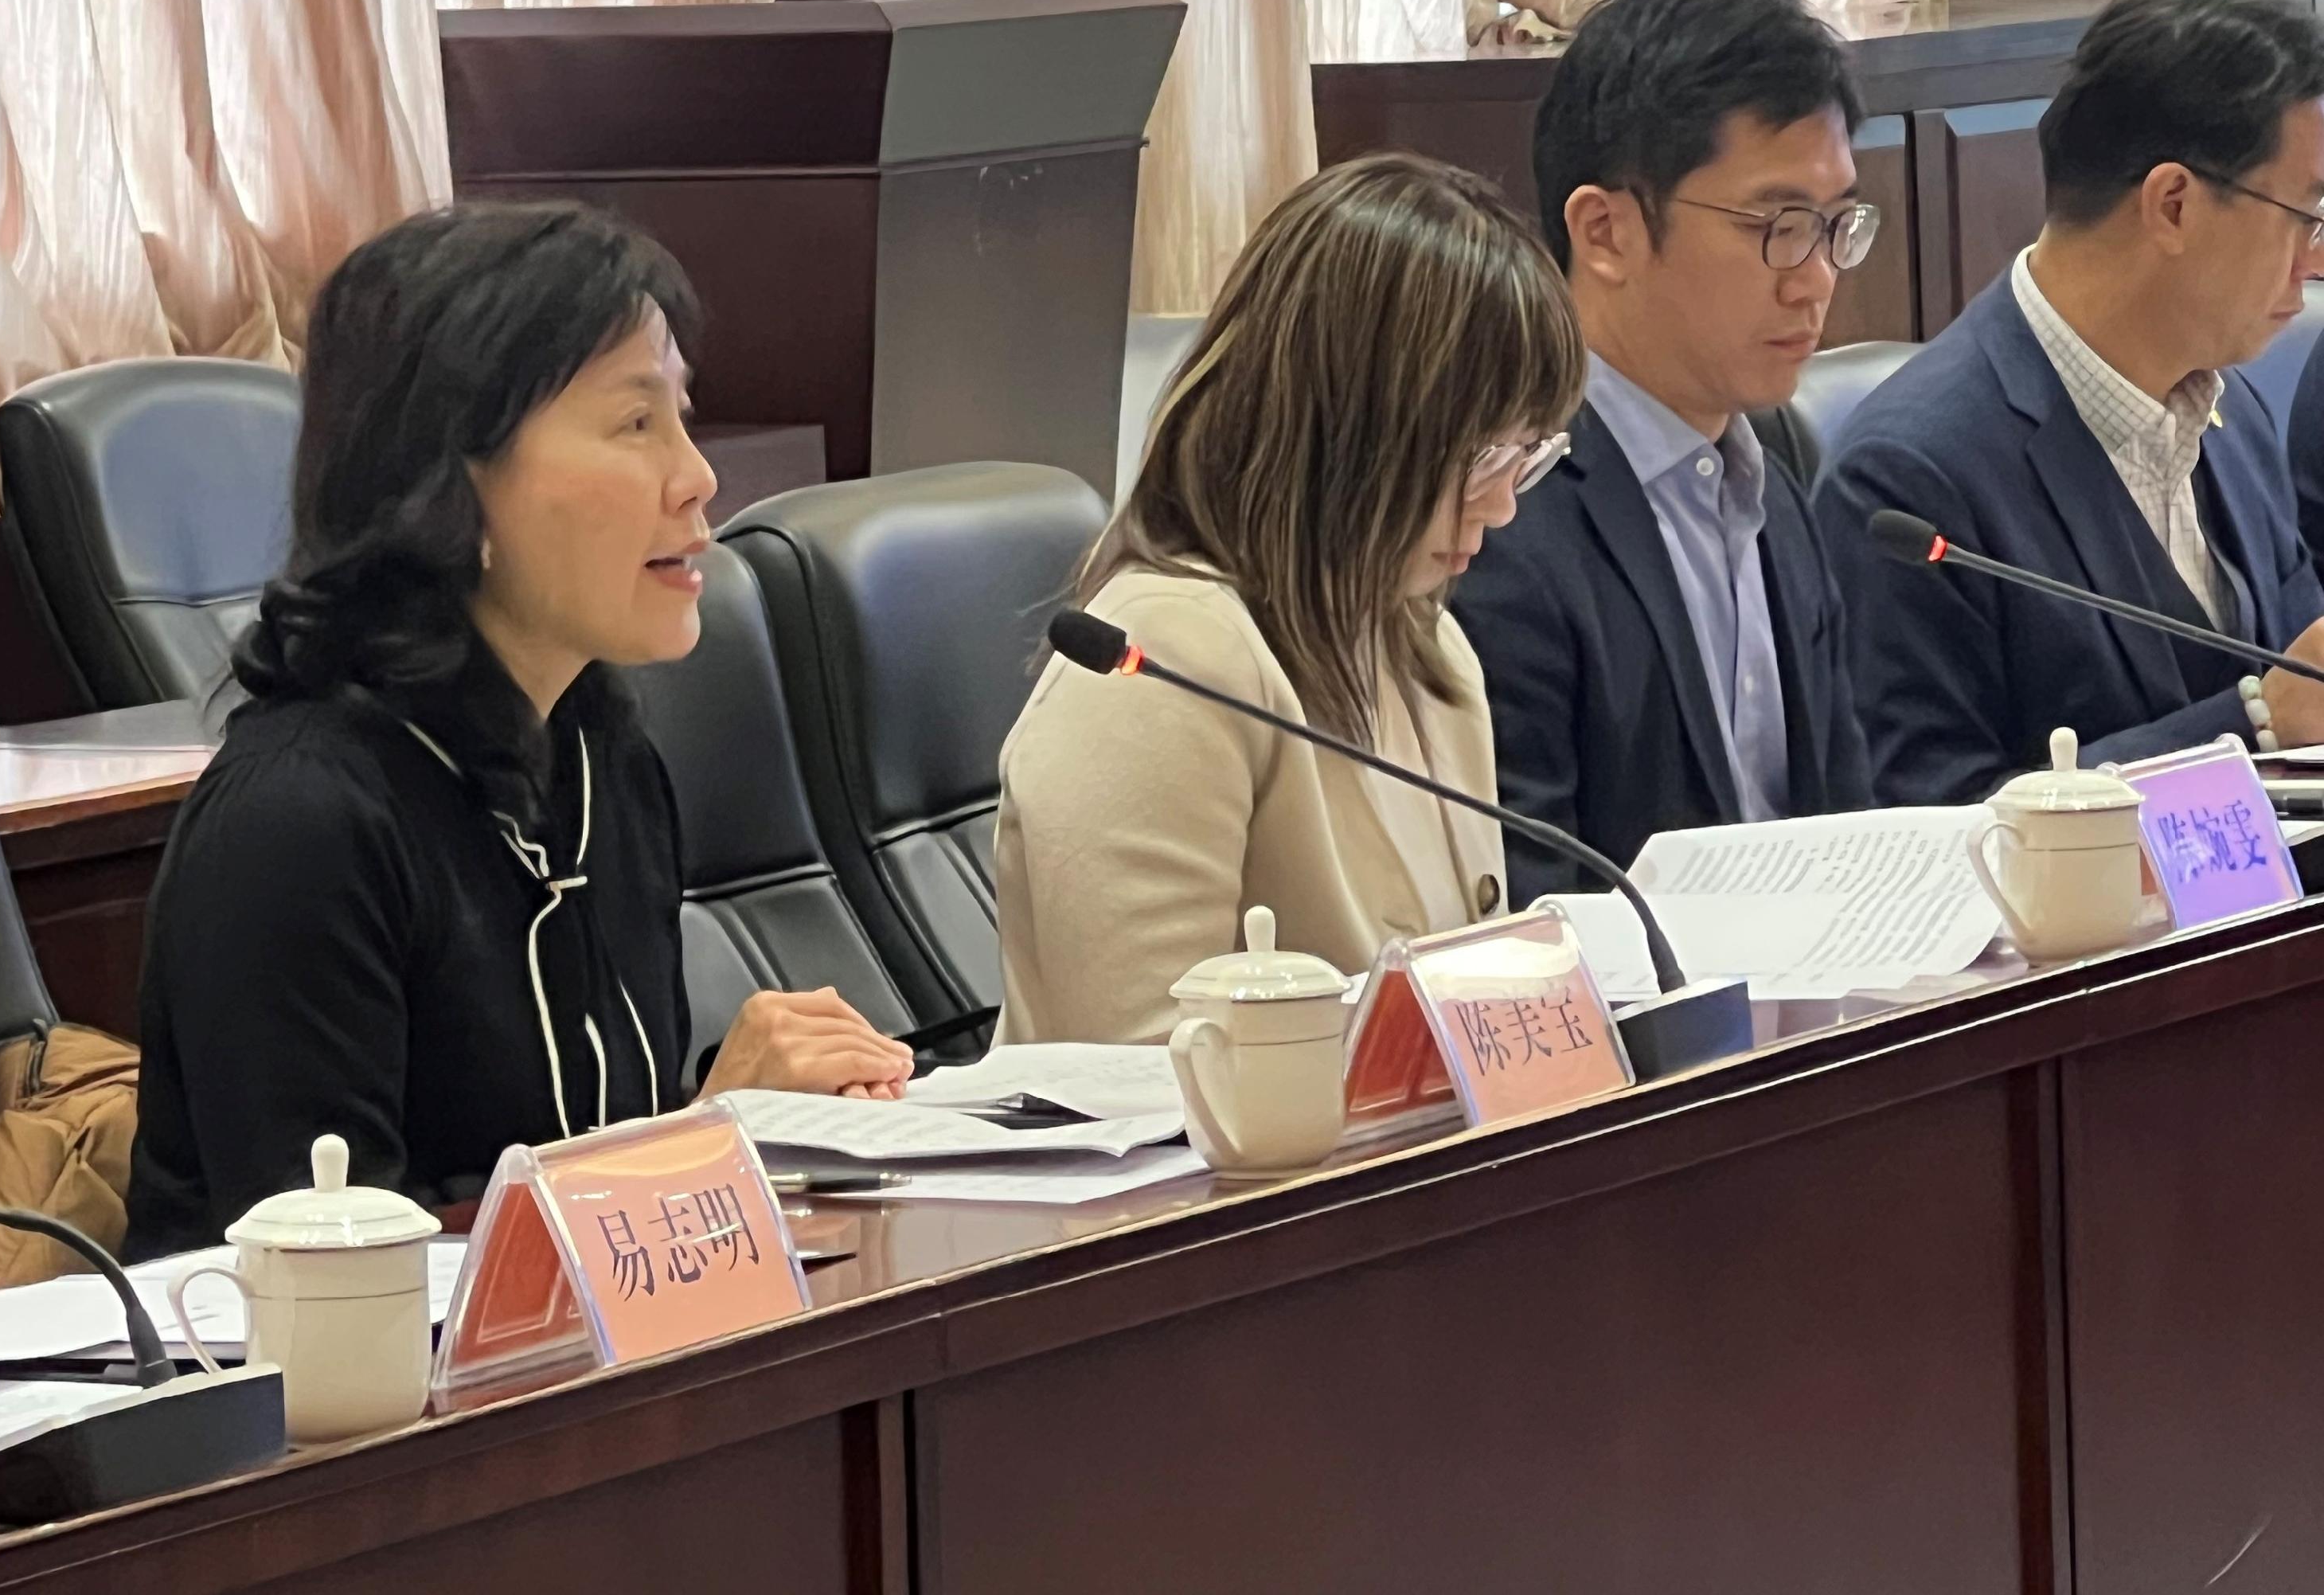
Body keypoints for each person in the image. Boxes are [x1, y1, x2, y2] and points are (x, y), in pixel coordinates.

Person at [127, 203, 914, 1252]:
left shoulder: (600, 755)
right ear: (451, 482)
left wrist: (771, 1129)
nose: (698, 476)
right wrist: (703, 1141)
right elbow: (338, 1283)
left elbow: (593, 1148)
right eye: (637, 424)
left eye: (682, 416)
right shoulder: (298, 821)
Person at [993, 153, 1585, 1048]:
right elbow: (1142, 1082)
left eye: (1525, 457)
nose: (1502, 506)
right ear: (1348, 430)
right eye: (1477, 459)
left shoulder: (1428, 649)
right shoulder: (1163, 663)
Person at [1822, 0, 2324, 803]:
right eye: (2301, 215)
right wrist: (2253, 724)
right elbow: (1929, 825)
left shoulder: (2234, 417)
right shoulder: (1908, 481)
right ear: (2172, 205)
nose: (2312, 258)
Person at [1451, 0, 1877, 897]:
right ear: (1604, 232)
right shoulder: (1494, 514)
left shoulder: (1775, 472)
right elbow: (1533, 911)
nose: (1813, 279)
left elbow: (1852, 829)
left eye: (1835, 224)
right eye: (1775, 225)